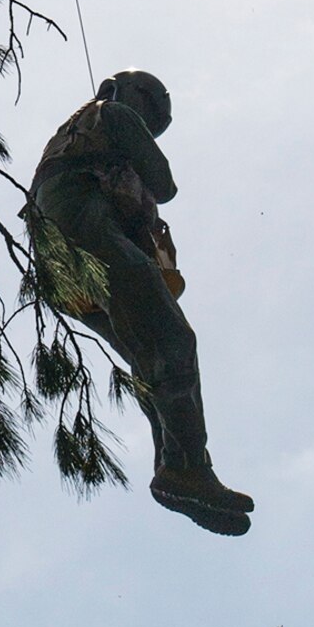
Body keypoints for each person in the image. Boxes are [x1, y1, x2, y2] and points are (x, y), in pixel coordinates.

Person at [29, 70, 253, 536]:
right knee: (171, 338)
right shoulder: (114, 114)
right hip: (85, 225)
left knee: (145, 357)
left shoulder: (72, 137)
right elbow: (164, 184)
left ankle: (178, 470)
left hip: (58, 263)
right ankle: (187, 467)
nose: (147, 126)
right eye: (151, 118)